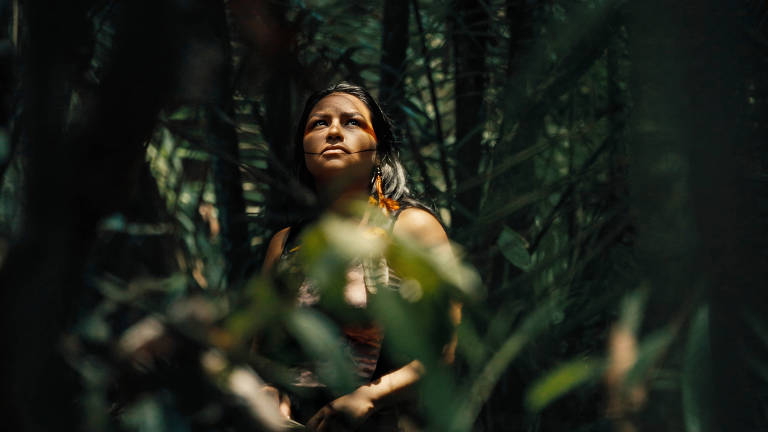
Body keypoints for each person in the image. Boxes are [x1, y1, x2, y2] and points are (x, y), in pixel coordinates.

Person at [260, 82, 459, 432]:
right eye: (319, 123)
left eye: (352, 122)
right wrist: (270, 390)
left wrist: (369, 397)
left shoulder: (411, 228)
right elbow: (259, 349)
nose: (334, 131)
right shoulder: (285, 243)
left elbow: (444, 351)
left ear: (379, 151)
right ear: (303, 151)